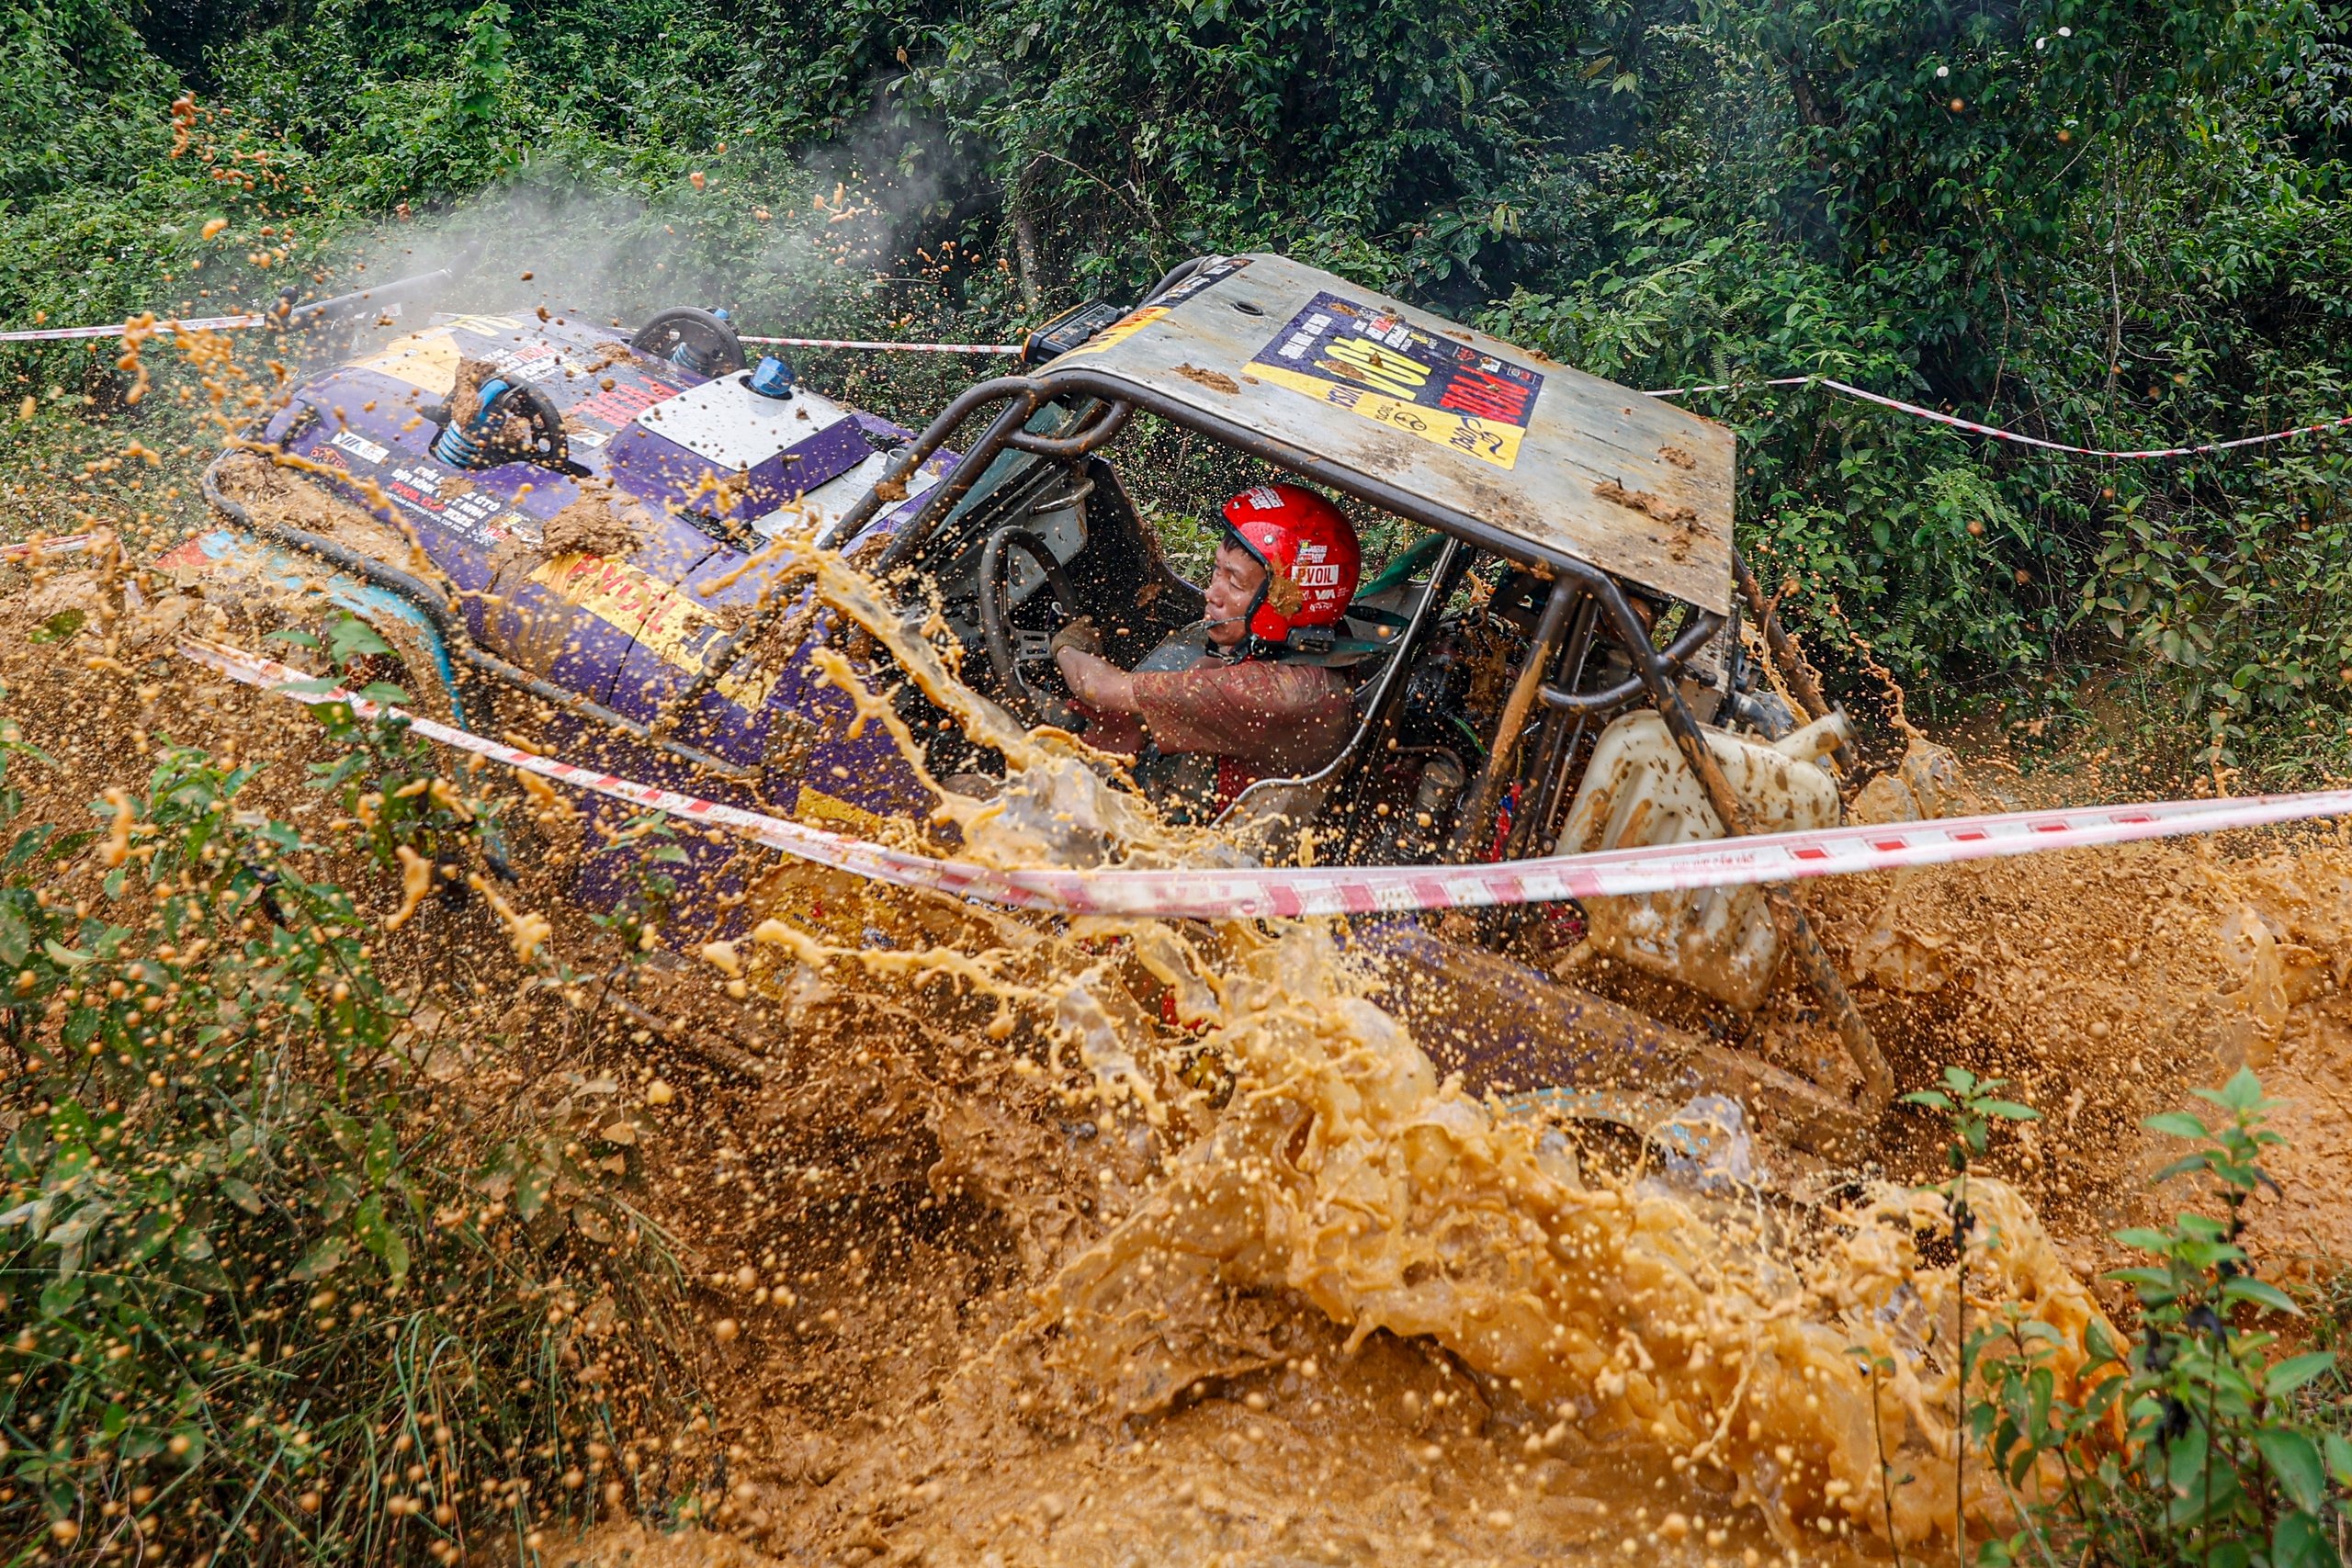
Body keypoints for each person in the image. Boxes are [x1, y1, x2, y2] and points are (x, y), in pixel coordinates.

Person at [1052, 481, 1363, 818]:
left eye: (1234, 583)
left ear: (1285, 601)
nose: (1211, 593)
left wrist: (1067, 644)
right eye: (1217, 570)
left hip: (1214, 845)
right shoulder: (1317, 646)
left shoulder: (1265, 693)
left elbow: (1096, 686)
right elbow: (1207, 671)